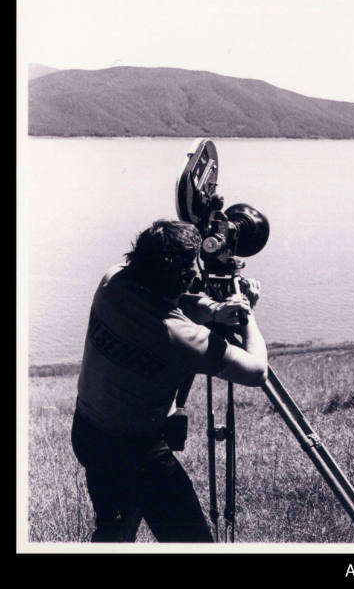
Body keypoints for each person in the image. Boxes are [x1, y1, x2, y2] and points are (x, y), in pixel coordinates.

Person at [71, 219, 267, 543]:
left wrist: (214, 311)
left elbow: (167, 300)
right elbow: (257, 371)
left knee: (114, 531)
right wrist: (247, 313)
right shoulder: (180, 337)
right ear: (184, 277)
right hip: (136, 450)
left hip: (89, 432)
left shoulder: (112, 283)